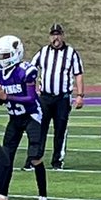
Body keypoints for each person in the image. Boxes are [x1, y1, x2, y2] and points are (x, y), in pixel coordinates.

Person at [0, 34, 49, 200]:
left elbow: (31, 98)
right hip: (14, 117)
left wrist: (6, 96)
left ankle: (43, 198)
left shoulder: (25, 70)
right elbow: (3, 101)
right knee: (6, 156)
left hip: (32, 116)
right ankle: (2, 195)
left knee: (35, 157)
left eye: (5, 56)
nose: (1, 60)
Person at [32, 23, 85, 169]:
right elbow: (31, 69)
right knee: (39, 129)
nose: (56, 37)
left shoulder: (71, 53)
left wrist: (80, 95)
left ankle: (57, 161)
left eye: (58, 34)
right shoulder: (42, 52)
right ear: (50, 37)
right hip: (45, 97)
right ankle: (36, 158)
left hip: (62, 98)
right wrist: (30, 91)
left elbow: (78, 74)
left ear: (63, 36)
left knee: (60, 130)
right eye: (53, 34)